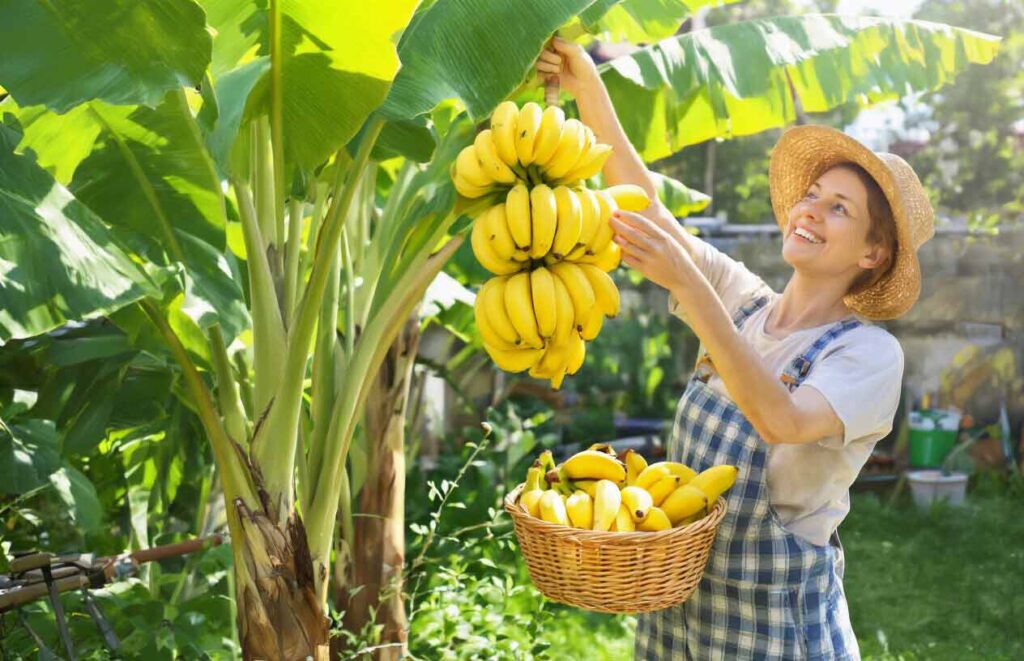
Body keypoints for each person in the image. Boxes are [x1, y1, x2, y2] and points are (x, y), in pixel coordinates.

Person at [536, 37, 935, 659]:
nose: (811, 212)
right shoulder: (744, 301)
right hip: (675, 614)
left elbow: (782, 419)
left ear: (871, 254)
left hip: (775, 632)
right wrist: (587, 83)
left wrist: (692, 288)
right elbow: (648, 209)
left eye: (839, 209)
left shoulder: (868, 355)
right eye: (812, 195)